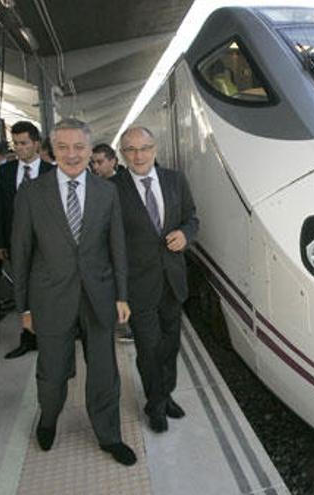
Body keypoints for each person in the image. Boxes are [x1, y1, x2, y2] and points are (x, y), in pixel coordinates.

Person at [11, 118, 136, 465]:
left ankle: (109, 436)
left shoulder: (106, 192)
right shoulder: (32, 193)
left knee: (104, 371)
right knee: (52, 372)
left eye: (79, 147)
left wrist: (122, 295)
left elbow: (118, 248)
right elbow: (20, 252)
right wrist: (23, 308)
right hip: (49, 299)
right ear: (51, 149)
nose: (71, 154)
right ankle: (48, 419)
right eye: (63, 147)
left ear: (89, 149)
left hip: (98, 296)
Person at [113, 127, 198, 433]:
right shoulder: (112, 188)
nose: (138, 156)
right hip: (138, 286)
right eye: (131, 150)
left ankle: (165, 394)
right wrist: (118, 294)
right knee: (149, 349)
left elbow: (192, 217)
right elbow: (111, 244)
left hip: (172, 281)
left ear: (155, 148)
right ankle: (155, 405)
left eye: (144, 148)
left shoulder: (175, 180)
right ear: (123, 154)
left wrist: (185, 234)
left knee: (170, 346)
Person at [0, 121, 54, 359]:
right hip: (16, 244)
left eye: (23, 143)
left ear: (36, 144)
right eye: (15, 144)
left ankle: (49, 335)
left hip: (47, 246)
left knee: (46, 291)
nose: (19, 148)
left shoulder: (51, 172)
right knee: (23, 290)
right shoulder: (6, 173)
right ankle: (28, 338)